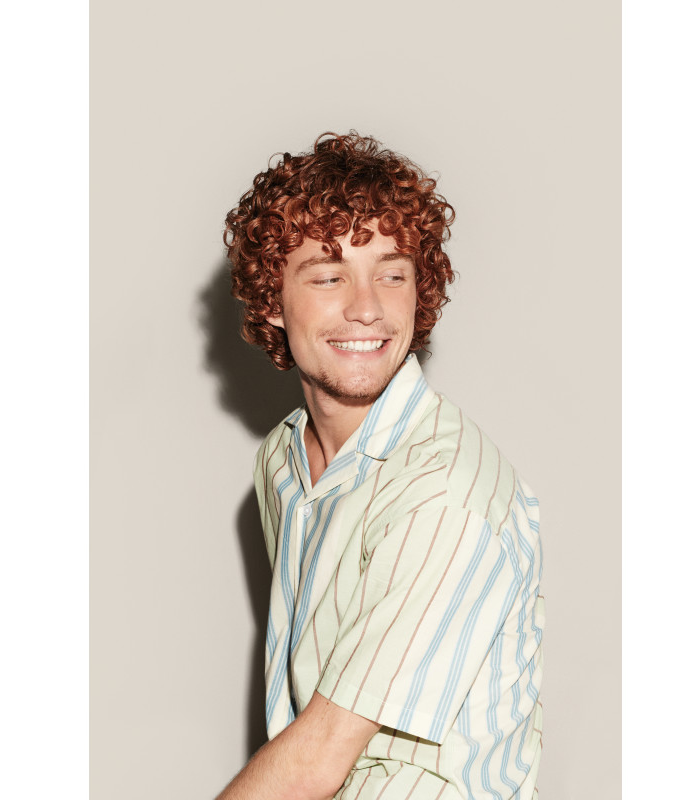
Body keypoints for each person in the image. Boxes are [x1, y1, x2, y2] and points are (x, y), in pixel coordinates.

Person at [219, 132, 544, 800]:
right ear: (272, 301)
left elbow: (318, 757)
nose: (367, 308)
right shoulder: (284, 462)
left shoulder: (447, 495)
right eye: (329, 276)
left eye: (392, 275)